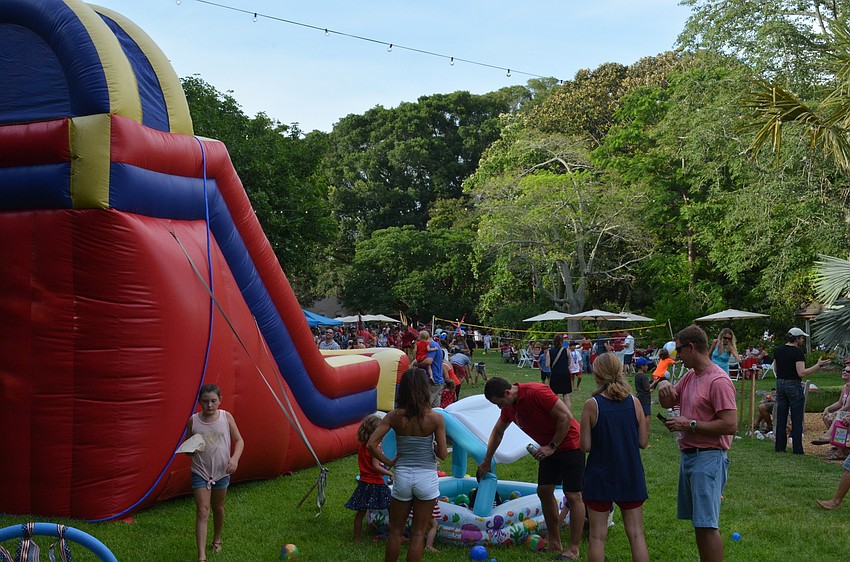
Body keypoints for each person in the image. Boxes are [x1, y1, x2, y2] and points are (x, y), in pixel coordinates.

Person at [476, 377, 585, 560]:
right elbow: (498, 432)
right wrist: (487, 460)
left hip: (570, 444)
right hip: (548, 449)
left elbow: (565, 416)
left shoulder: (536, 392)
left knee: (573, 495)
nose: (500, 407)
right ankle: (554, 542)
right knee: (544, 491)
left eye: (500, 403)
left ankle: (573, 549)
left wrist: (552, 446)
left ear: (507, 393)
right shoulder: (509, 407)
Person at [657, 325, 737, 562]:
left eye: (679, 350)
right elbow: (669, 402)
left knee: (707, 524)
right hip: (690, 456)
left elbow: (730, 424)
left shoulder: (718, 381)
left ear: (691, 347)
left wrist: (690, 424)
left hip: (709, 457)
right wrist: (663, 385)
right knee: (700, 523)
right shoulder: (690, 376)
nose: (677, 356)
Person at [368, 368, 448, 562]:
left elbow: (371, 444)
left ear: (402, 389)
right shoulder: (435, 418)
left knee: (395, 531)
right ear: (425, 389)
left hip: (402, 475)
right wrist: (433, 446)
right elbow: (443, 455)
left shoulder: (394, 416)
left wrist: (388, 462)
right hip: (426, 477)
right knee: (418, 533)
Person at [580, 353, 649, 562]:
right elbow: (643, 442)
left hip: (600, 476)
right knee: (636, 534)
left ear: (597, 374)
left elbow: (585, 446)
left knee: (597, 537)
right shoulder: (634, 402)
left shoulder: (592, 405)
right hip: (630, 473)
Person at [185, 384, 244, 562]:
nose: (209, 405)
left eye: (213, 401)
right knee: (203, 511)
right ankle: (201, 556)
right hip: (200, 471)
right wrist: (190, 450)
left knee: (218, 507)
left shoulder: (226, 417)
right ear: (199, 402)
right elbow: (189, 446)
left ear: (220, 400)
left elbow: (239, 440)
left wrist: (234, 459)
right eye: (205, 401)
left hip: (222, 471)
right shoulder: (194, 421)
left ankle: (217, 539)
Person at [773, 327, 830, 454]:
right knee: (797, 418)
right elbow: (801, 372)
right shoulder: (797, 352)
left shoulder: (778, 350)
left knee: (781, 416)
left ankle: (780, 447)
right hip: (793, 384)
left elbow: (776, 368)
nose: (803, 340)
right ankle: (797, 449)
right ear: (797, 338)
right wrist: (818, 365)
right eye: (802, 338)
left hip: (780, 383)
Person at [345, 415, 394, 541]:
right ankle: (393, 533)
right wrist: (391, 474)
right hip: (376, 483)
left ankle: (357, 538)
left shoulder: (363, 446)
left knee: (360, 513)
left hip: (364, 483)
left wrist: (388, 465)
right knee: (392, 508)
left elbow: (373, 465)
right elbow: (376, 467)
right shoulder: (375, 448)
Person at [547, 333, 574, 410]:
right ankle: (568, 413)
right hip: (565, 374)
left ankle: (557, 412)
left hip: (555, 375)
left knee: (554, 396)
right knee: (566, 396)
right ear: (562, 341)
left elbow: (547, 364)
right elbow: (569, 363)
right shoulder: (566, 351)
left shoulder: (550, 351)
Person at [633, 356, 653, 437]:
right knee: (647, 414)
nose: (647, 367)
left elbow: (643, 385)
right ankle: (646, 431)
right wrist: (655, 382)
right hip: (645, 397)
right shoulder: (643, 376)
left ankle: (639, 430)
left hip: (639, 396)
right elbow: (647, 388)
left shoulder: (637, 375)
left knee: (640, 414)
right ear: (642, 366)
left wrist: (650, 381)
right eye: (646, 365)